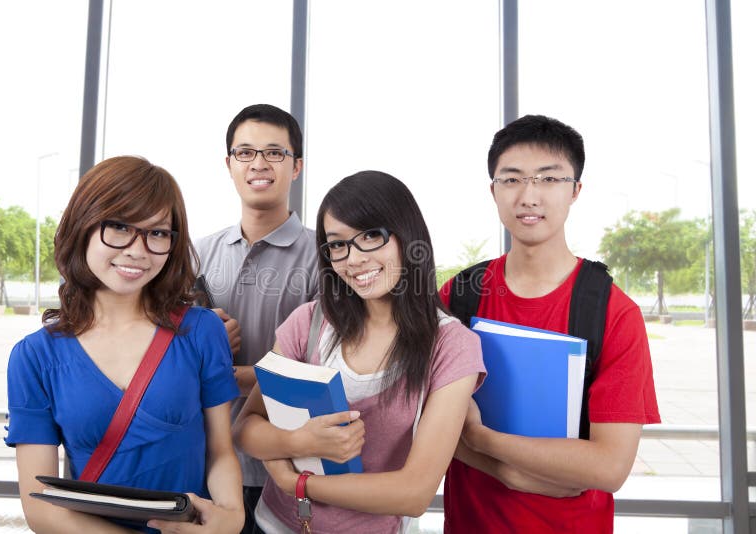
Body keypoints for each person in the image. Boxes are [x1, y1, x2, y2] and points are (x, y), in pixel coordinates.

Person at [440, 115, 661, 533]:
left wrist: (484, 441)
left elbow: (610, 466)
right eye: (512, 180)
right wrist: (509, 472)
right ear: (493, 190)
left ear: (576, 190)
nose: (529, 196)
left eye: (548, 179)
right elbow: (416, 413)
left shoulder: (613, 312)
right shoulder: (459, 295)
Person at [232, 170, 486, 533]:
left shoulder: (451, 345)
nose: (353, 259)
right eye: (338, 244)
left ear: (407, 236)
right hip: (274, 525)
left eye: (370, 236)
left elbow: (414, 492)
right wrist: (296, 440)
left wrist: (297, 484)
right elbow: (246, 428)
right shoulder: (309, 320)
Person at [5, 156, 244, 533]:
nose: (138, 249)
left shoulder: (200, 331)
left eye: (158, 233)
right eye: (118, 227)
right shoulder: (35, 356)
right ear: (82, 226)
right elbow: (41, 508)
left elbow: (219, 452)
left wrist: (231, 517)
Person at [194, 103, 318, 533]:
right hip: (206, 465)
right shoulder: (195, 255)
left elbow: (319, 372)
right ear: (229, 164)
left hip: (290, 469)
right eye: (245, 153)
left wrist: (217, 369)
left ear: (296, 166)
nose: (258, 164)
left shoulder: (328, 257)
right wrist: (200, 344)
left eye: (274, 153)